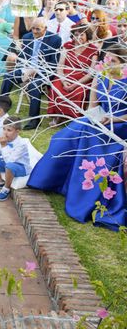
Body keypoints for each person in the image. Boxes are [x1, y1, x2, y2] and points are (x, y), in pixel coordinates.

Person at [28, 44, 127, 230]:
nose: (107, 63)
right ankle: (53, 181)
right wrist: (93, 117)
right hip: (100, 118)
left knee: (90, 136)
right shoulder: (101, 76)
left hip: (120, 124)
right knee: (69, 133)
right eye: (106, 59)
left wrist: (113, 119)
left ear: (123, 64)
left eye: (112, 61)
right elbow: (92, 105)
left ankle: (84, 198)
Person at [0, 17, 62, 130]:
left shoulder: (54, 39)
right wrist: (17, 57)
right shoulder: (27, 37)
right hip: (27, 68)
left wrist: (36, 70)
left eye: (37, 29)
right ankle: (1, 107)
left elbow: (53, 63)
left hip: (45, 70)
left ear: (45, 28)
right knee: (8, 77)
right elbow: (24, 57)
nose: (34, 31)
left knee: (34, 86)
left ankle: (34, 120)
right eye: (33, 28)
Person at [46, 23, 98, 125]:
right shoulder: (67, 46)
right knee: (56, 87)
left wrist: (75, 84)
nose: (78, 37)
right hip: (65, 75)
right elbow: (60, 66)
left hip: (83, 78)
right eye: (76, 34)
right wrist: (64, 81)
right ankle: (58, 116)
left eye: (82, 34)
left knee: (78, 92)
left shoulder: (93, 50)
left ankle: (71, 117)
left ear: (87, 35)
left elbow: (91, 73)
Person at [0, 117, 31, 202]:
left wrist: (4, 146)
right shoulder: (5, 139)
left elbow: (10, 161)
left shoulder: (21, 144)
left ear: (17, 131)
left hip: (21, 167)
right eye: (4, 129)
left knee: (10, 166)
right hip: (7, 162)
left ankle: (6, 188)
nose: (5, 132)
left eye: (9, 130)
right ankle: (0, 182)